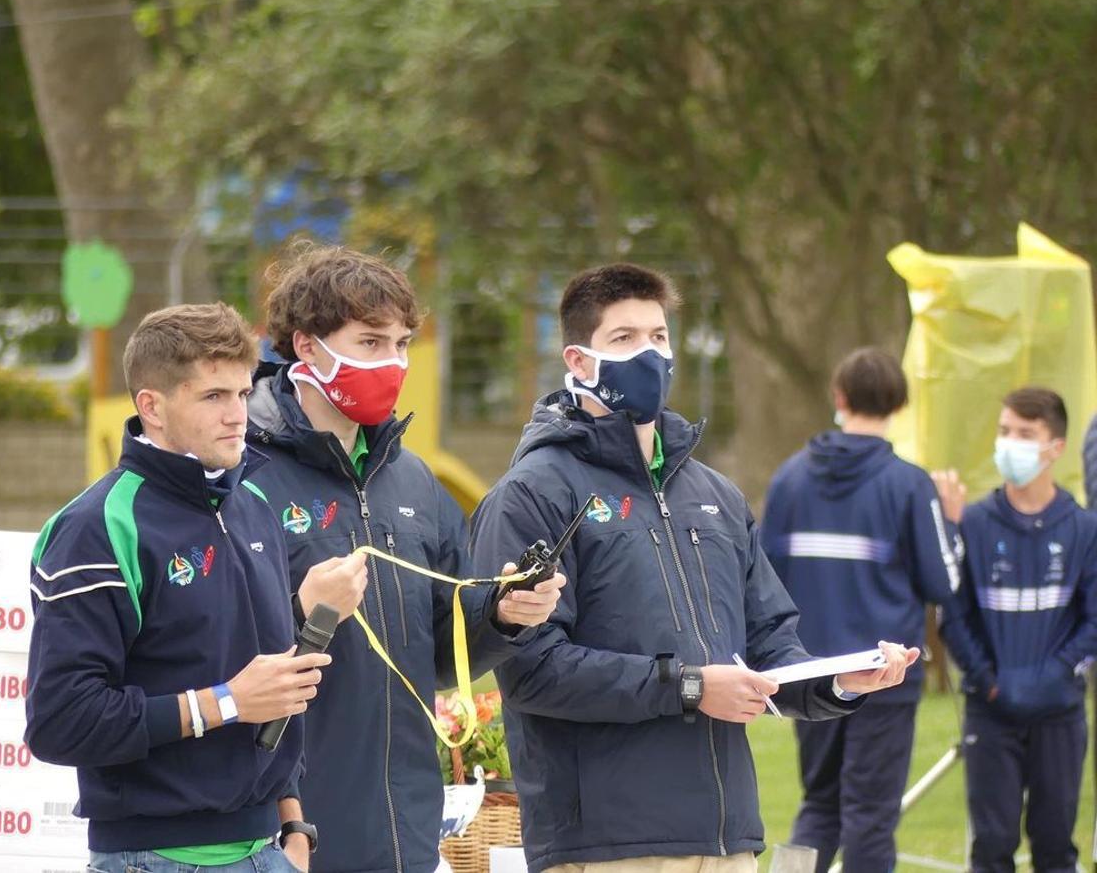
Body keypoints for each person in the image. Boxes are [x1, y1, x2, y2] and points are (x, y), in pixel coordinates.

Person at [469, 263, 918, 873]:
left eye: (658, 336)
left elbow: (769, 644)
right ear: (578, 361)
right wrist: (690, 688)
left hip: (728, 841)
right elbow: (532, 672)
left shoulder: (715, 494)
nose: (649, 353)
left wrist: (838, 683)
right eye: (624, 338)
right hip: (608, 847)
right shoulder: (532, 494)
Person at [244, 244, 564, 873]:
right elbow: (211, 654)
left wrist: (503, 615)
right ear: (307, 346)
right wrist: (304, 611)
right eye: (370, 342)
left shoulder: (413, 478)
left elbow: (441, 656)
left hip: (408, 835)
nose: (392, 363)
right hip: (291, 833)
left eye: (401, 343)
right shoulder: (242, 475)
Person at [25, 302, 365, 873]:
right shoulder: (96, 526)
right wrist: (225, 702)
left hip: (269, 850)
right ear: (151, 406)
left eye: (243, 392)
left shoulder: (253, 503)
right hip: (153, 856)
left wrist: (293, 826)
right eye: (213, 396)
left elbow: (274, 690)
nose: (238, 415)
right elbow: (61, 722)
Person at [760, 346, 964, 873]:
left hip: (809, 672)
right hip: (884, 673)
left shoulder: (789, 479)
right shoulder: (910, 484)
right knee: (870, 817)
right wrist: (951, 524)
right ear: (898, 404)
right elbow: (943, 583)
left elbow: (759, 577)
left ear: (839, 396)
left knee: (818, 805)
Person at [940, 387, 1097, 873]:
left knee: (1054, 846)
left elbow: (1094, 621)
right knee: (992, 846)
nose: (1010, 443)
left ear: (1055, 448)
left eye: (1025, 434)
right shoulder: (974, 524)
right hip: (990, 711)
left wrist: (1055, 674)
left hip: (1059, 713)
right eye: (1005, 431)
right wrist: (988, 680)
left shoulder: (1083, 529)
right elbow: (954, 615)